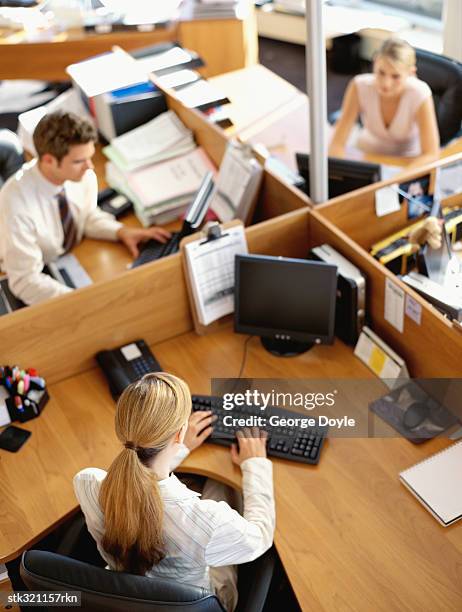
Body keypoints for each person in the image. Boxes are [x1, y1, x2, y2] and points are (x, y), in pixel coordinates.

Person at [73, 373, 275, 612]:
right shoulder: (205, 520)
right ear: (179, 433)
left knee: (205, 488)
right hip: (199, 602)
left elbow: (143, 478)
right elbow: (260, 536)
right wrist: (255, 463)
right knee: (224, 488)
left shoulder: (88, 483)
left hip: (125, 595)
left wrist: (180, 447)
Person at [0, 110, 171, 306]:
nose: (90, 166)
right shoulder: (15, 203)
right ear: (48, 160)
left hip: (69, 258)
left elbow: (85, 216)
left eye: (89, 157)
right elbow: (25, 281)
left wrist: (121, 231)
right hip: (28, 268)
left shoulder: (81, 175)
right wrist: (83, 303)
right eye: (79, 161)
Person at [329, 38, 440, 164]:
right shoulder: (359, 85)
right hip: (366, 156)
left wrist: (394, 178)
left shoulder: (420, 93)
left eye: (395, 76)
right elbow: (336, 144)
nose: (386, 84)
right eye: (381, 72)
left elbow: (431, 154)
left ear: (411, 73)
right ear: (375, 62)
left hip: (406, 162)